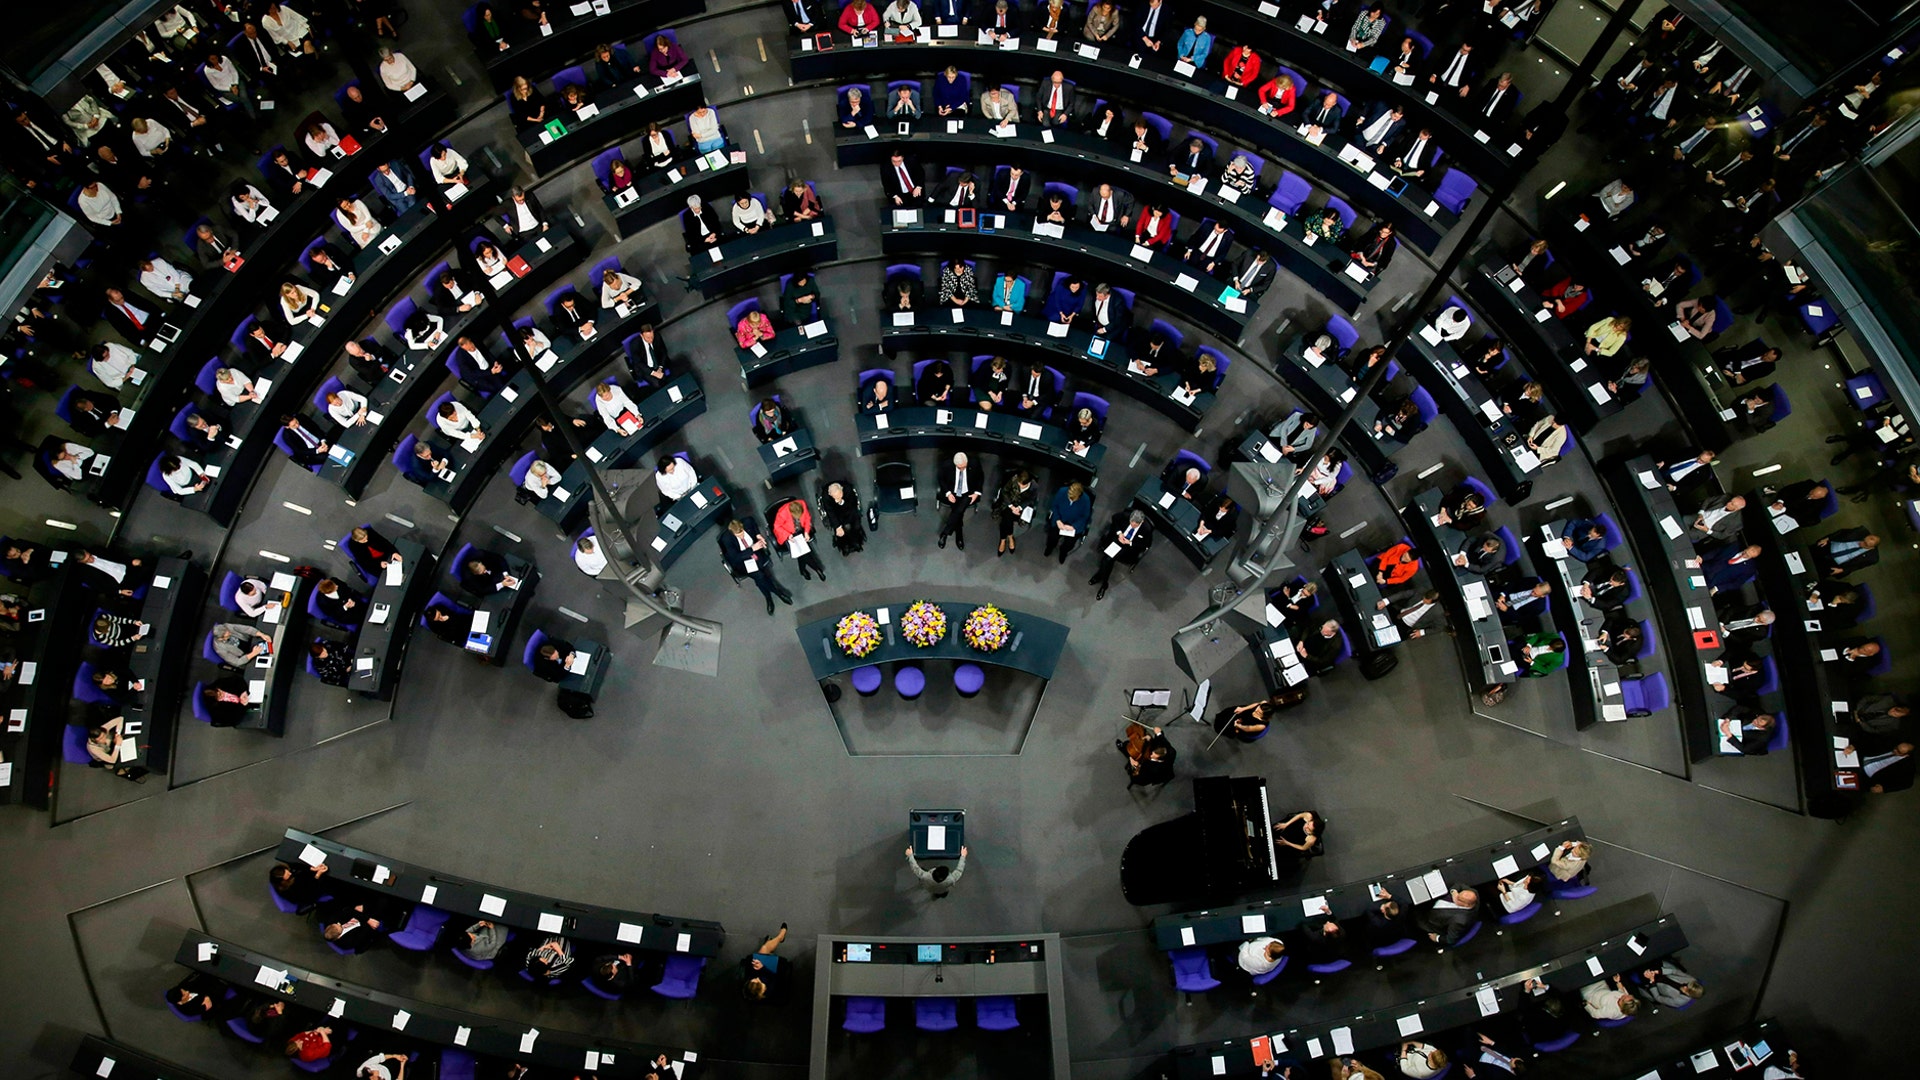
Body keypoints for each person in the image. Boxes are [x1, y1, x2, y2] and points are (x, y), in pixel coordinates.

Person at [723, 518, 794, 614]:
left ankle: (768, 598)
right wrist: (752, 549)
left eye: (742, 533)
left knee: (760, 579)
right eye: (738, 535)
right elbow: (735, 557)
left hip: (757, 554)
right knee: (760, 576)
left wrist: (758, 534)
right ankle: (778, 593)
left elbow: (752, 521)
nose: (742, 536)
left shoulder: (747, 522)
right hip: (743, 561)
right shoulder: (727, 539)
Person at [1088, 509, 1152, 599]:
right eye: (1131, 523)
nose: (1132, 526)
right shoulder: (1125, 516)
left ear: (1141, 522)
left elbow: (1145, 545)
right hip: (1118, 540)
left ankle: (1100, 577)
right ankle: (1104, 583)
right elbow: (1114, 518)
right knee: (1107, 560)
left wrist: (1130, 542)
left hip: (1129, 548)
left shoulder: (1146, 529)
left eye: (1135, 525)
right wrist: (1119, 533)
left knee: (1107, 560)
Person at [771, 499, 827, 581]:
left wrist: (806, 532)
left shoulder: (802, 504)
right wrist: (788, 535)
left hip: (799, 531)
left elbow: (807, 518)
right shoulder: (782, 513)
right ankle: (817, 569)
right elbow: (777, 527)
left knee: (801, 553)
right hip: (788, 533)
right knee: (804, 552)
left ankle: (803, 570)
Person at [936, 452, 983, 550]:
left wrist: (977, 492)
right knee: (958, 511)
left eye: (964, 467)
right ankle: (958, 534)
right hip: (953, 492)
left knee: (958, 509)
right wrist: (948, 493)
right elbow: (941, 479)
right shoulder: (947, 465)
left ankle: (945, 533)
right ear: (955, 464)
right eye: (960, 467)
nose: (962, 469)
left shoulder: (974, 463)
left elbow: (980, 477)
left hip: (968, 493)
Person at [1044, 480, 1093, 563]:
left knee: (1069, 544)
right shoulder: (1062, 491)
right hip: (1060, 519)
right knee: (1052, 537)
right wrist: (1057, 520)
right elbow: (1054, 506)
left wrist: (1074, 526)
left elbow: (1085, 517)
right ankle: (1050, 547)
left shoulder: (1086, 500)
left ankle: (1063, 552)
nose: (1070, 499)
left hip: (1073, 524)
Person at [1414, 886, 1479, 945]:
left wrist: (1437, 938)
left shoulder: (1459, 921)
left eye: (1459, 899)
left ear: (1466, 905)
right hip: (1433, 902)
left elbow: (1450, 940)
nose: (1456, 897)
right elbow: (1459, 885)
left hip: (1429, 921)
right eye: (1459, 894)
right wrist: (1454, 891)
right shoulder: (1473, 895)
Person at [743, 924, 790, 1001]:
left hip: (764, 969)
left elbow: (751, 973)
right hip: (775, 971)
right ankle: (780, 937)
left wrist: (757, 966)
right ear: (761, 989)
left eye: (754, 979)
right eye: (757, 980)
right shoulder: (769, 990)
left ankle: (776, 940)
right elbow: (777, 978)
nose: (757, 978)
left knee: (763, 949)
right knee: (764, 949)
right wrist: (763, 968)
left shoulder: (751, 987)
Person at [821, 482, 866, 555]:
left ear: (842, 489)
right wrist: (838, 526)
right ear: (830, 495)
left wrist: (841, 502)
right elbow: (830, 512)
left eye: (840, 495)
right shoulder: (826, 496)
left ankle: (856, 541)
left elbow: (853, 505)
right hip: (836, 513)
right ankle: (844, 545)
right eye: (836, 497)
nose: (838, 498)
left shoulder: (848, 489)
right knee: (841, 531)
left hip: (849, 510)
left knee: (855, 526)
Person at [1812, 527, 1879, 576]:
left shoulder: (1872, 558)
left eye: (1865, 544)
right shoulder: (1860, 531)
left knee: (1816, 573)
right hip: (1827, 548)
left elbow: (1858, 566)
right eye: (1864, 540)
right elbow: (1841, 532)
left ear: (1872, 547)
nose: (1861, 543)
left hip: (1835, 564)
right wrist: (1827, 539)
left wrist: (1842, 570)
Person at [1214, 696, 1285, 740]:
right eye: (1258, 708)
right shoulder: (1263, 703)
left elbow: (1248, 729)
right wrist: (1243, 709)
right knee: (1229, 713)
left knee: (1230, 728)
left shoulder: (1261, 726)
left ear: (1264, 716)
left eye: (1259, 713)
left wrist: (1238, 726)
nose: (1256, 711)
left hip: (1247, 724)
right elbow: (1256, 704)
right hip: (1245, 714)